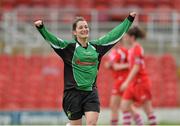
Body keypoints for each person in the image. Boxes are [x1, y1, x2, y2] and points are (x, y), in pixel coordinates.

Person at [34, 12, 136, 125]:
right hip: (72, 94)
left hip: (91, 93)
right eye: (81, 27)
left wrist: (129, 20)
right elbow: (54, 41)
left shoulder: (97, 47)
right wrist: (41, 28)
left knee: (92, 123)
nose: (84, 29)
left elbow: (113, 35)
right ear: (74, 32)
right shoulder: (68, 48)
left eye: (86, 27)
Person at [120, 26, 157, 125]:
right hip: (133, 83)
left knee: (148, 110)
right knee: (124, 105)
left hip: (141, 82)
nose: (124, 38)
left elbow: (136, 67)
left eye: (126, 36)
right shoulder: (131, 50)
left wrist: (126, 82)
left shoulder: (137, 49)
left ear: (131, 37)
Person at [105, 43, 143, 125]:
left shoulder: (123, 51)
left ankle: (138, 122)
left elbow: (131, 63)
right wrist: (109, 65)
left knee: (116, 105)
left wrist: (118, 66)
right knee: (125, 105)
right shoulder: (113, 51)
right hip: (118, 80)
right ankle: (139, 122)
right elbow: (110, 64)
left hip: (123, 79)